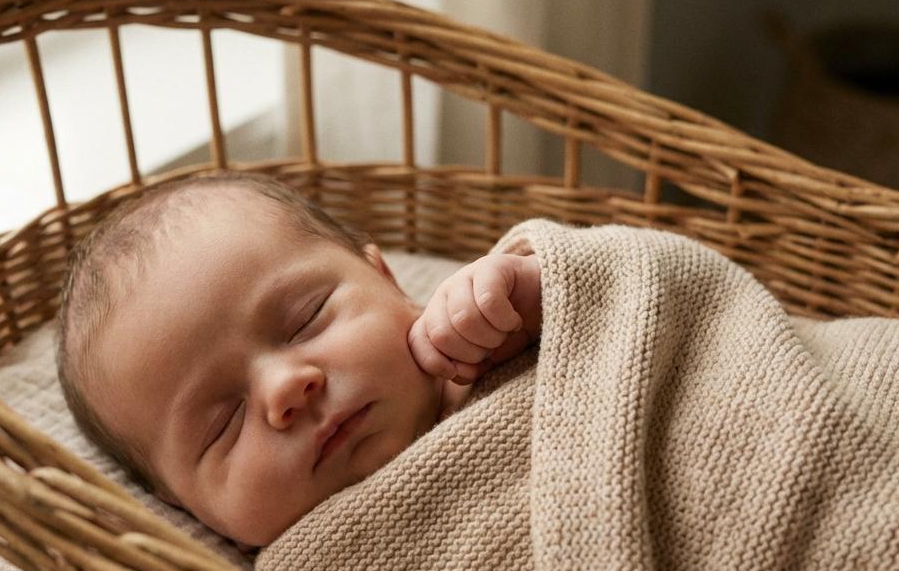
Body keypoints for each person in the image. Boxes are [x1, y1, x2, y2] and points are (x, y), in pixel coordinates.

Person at [56, 171, 540, 547]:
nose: (286, 386)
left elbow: (609, 287)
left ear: (387, 281)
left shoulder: (494, 334)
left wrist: (536, 294)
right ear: (186, 507)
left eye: (307, 320)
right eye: (224, 422)